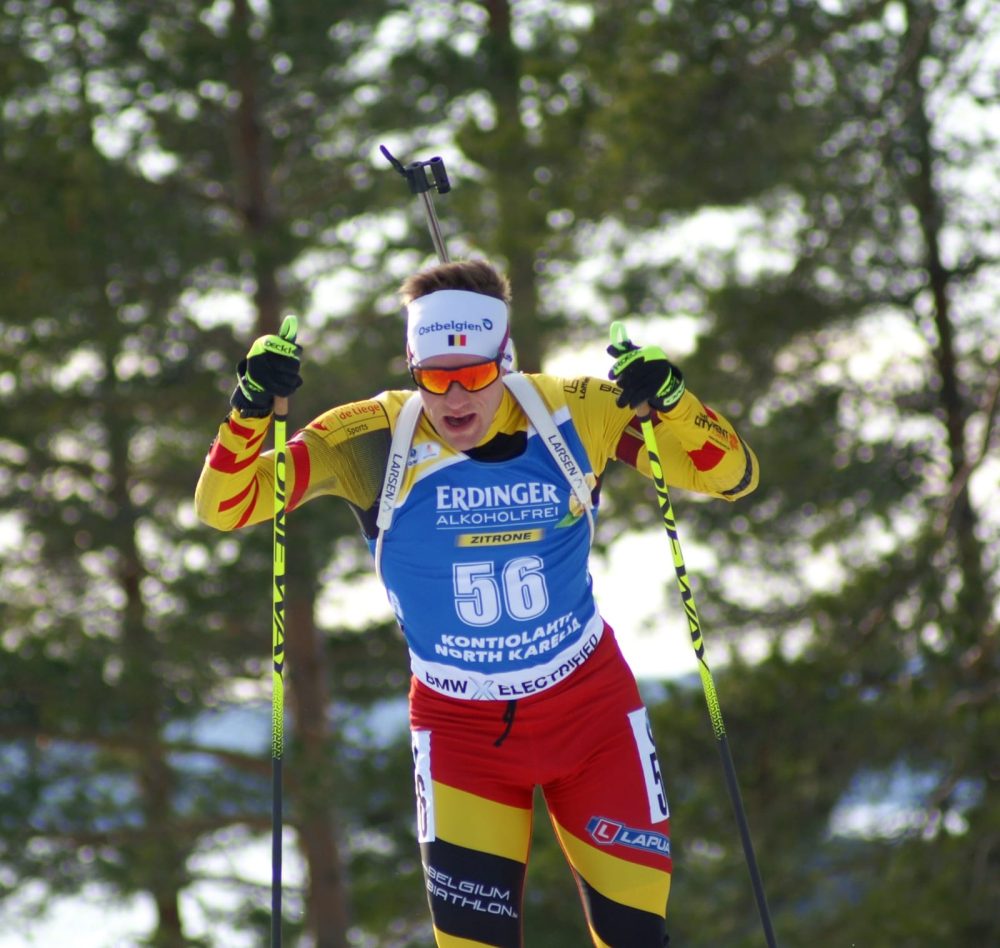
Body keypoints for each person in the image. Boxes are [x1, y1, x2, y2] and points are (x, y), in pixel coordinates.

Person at [195, 258, 759, 947]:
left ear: (505, 359)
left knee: (635, 937)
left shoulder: (575, 411)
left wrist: (675, 400)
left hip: (591, 714)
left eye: (475, 376)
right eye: (433, 377)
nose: (454, 397)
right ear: (412, 367)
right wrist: (249, 411)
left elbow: (730, 475)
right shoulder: (374, 436)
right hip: (463, 736)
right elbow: (226, 506)